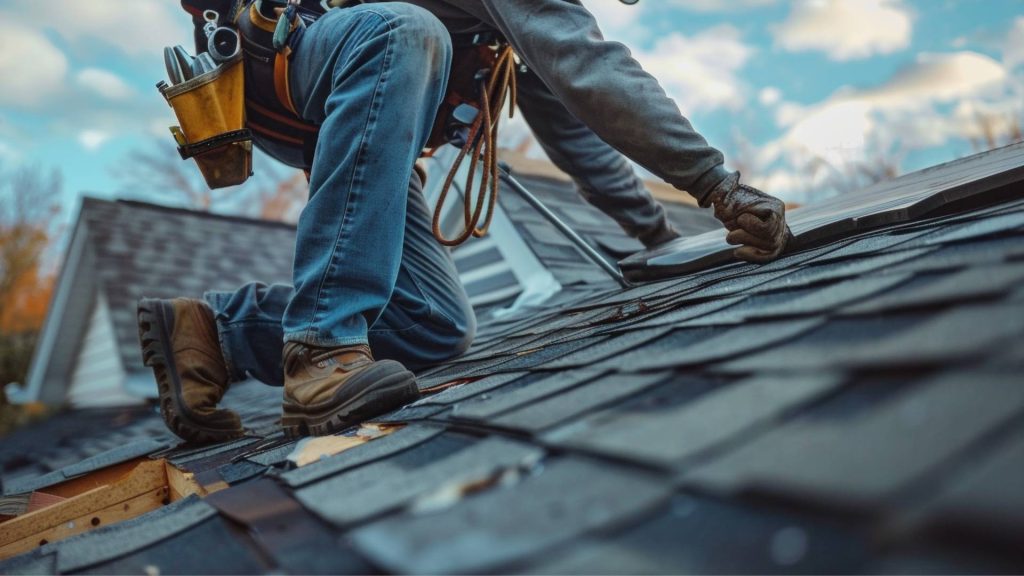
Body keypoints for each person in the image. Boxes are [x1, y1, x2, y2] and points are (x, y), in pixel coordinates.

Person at [139, 0, 791, 442]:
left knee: (434, 324)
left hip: (345, 102)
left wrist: (661, 241)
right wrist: (719, 186)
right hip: (295, 52)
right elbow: (591, 68)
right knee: (403, 33)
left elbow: (580, 128)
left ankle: (213, 335)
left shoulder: (508, 25)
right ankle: (322, 345)